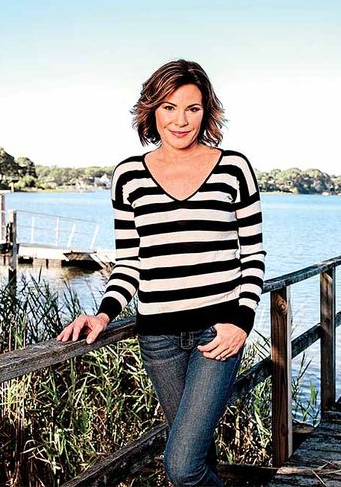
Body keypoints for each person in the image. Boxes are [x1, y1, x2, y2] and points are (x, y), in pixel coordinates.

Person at [56, 59, 266, 487]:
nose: (181, 120)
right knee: (199, 456)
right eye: (169, 107)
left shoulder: (234, 168)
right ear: (151, 110)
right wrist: (103, 314)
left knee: (181, 464)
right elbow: (130, 262)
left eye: (192, 108)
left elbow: (254, 255)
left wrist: (242, 322)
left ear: (207, 110)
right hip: (159, 340)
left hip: (218, 334)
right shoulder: (129, 176)